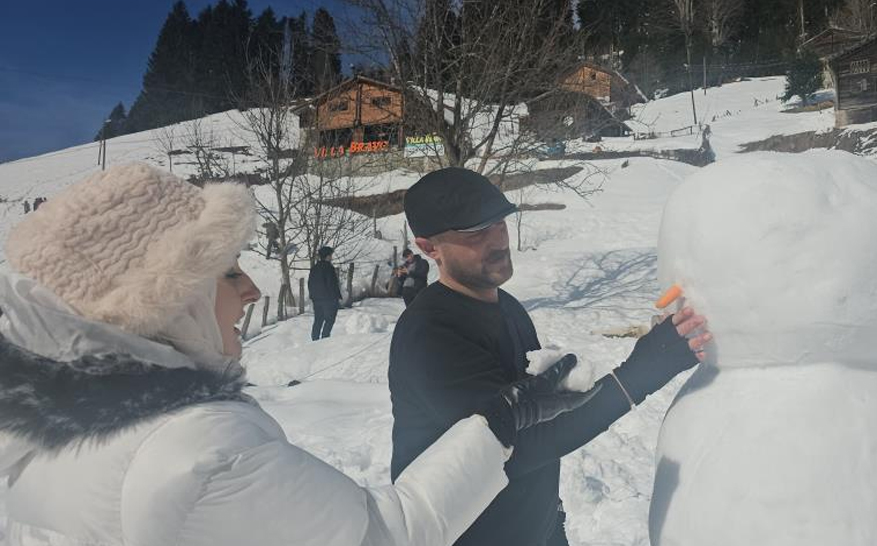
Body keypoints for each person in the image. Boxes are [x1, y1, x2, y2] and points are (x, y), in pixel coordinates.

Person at [0, 162, 600, 546]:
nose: (253, 290)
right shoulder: (199, 454)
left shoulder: (28, 444)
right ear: (164, 298)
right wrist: (501, 421)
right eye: (227, 271)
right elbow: (386, 536)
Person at [390, 168, 713, 546]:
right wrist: (645, 369)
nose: (497, 241)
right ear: (430, 248)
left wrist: (661, 345)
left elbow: (548, 406)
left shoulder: (507, 308)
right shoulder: (430, 336)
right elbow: (511, 448)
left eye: (499, 224)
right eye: (475, 234)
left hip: (538, 529)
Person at [308, 245, 341, 341]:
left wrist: (313, 296)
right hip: (329, 299)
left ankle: (315, 340)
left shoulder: (314, 268)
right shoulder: (329, 268)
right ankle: (325, 339)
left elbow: (310, 283)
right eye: (331, 255)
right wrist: (336, 298)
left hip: (316, 299)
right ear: (327, 256)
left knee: (318, 320)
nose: (331, 257)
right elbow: (332, 284)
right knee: (330, 320)